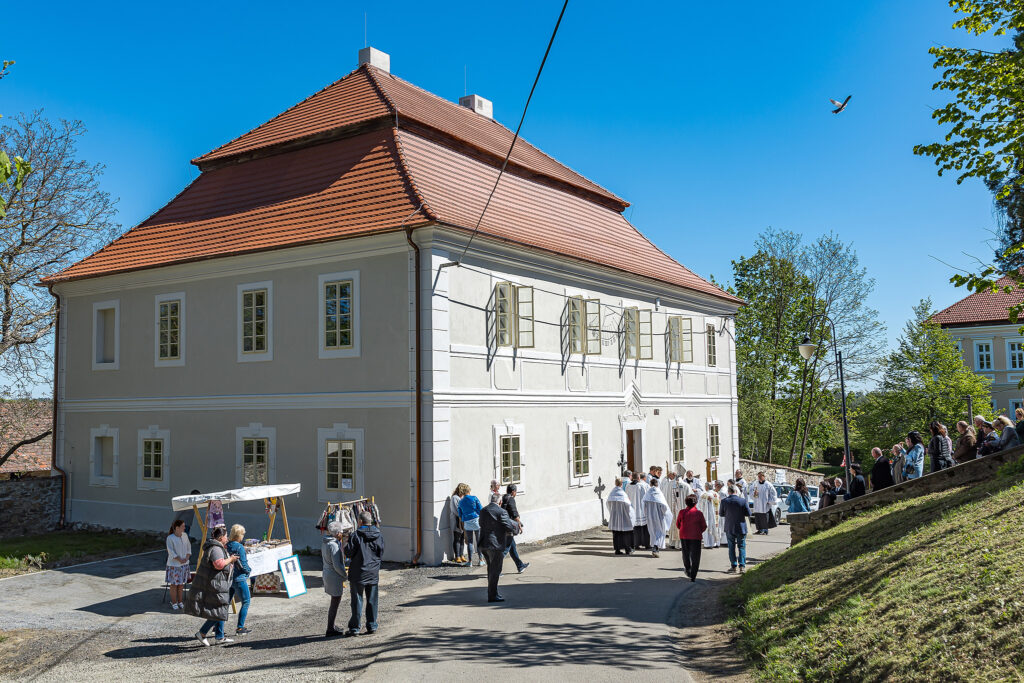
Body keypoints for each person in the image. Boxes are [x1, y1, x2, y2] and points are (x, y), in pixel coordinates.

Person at [188, 526, 239, 646]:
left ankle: (219, 636)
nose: (227, 538)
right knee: (218, 610)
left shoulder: (217, 547)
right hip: (215, 584)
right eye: (226, 536)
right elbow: (218, 564)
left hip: (219, 583)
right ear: (221, 538)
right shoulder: (215, 548)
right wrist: (231, 559)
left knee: (221, 609)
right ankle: (202, 632)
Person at [344, 511, 384, 636]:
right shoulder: (378, 535)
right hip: (372, 572)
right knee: (372, 600)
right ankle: (372, 625)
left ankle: (355, 628)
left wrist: (345, 543)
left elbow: (348, 553)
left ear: (360, 521)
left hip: (358, 572)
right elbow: (381, 552)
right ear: (370, 521)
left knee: (357, 600)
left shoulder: (356, 535)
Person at [478, 493, 519, 603]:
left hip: (484, 544)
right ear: (500, 502)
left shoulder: (483, 510)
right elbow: (508, 527)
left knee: (490, 569)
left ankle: (492, 593)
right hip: (495, 545)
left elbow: (480, 523)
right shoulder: (502, 512)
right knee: (496, 570)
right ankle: (492, 595)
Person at [321, 520, 347, 637]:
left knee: (334, 601)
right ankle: (330, 628)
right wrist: (345, 575)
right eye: (341, 532)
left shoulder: (326, 542)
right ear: (337, 533)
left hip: (327, 574)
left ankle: (331, 626)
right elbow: (337, 565)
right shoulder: (334, 545)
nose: (342, 534)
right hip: (334, 576)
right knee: (335, 602)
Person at [225, 524, 252, 635]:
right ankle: (240, 628)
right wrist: (249, 570)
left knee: (225, 604)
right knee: (246, 601)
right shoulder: (239, 547)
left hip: (229, 577)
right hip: (239, 578)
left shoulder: (226, 545)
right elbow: (244, 565)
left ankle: (217, 628)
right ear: (239, 535)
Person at [718, 485, 750, 573]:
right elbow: (748, 513)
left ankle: (733, 565)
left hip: (729, 526)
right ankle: (742, 566)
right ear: (736, 491)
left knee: (731, 547)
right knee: (741, 546)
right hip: (741, 526)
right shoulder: (742, 501)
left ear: (728, 492)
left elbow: (721, 514)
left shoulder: (724, 501)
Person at [676, 494, 707, 582]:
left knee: (685, 554)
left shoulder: (682, 512)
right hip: (696, 536)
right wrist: (698, 531)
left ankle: (688, 568)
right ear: (696, 503)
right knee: (695, 556)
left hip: (684, 536)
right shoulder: (699, 513)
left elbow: (678, 524)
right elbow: (704, 526)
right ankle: (693, 575)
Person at [501, 484, 529, 573]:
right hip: (509, 526)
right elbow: (514, 512)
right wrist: (519, 524)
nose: (516, 493)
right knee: (505, 549)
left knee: (512, 547)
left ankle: (520, 566)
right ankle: (495, 568)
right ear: (513, 491)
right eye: (516, 491)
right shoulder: (511, 499)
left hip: (504, 525)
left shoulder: (503, 498)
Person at [642, 478, 672, 557]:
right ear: (657, 484)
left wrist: (646, 514)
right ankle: (656, 548)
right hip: (659, 516)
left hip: (650, 516)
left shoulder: (647, 493)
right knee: (660, 531)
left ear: (650, 484)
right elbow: (664, 506)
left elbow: (644, 505)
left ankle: (654, 547)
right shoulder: (659, 493)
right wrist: (664, 513)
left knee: (652, 532)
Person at [165, 519, 191, 611]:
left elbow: (189, 548)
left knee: (181, 584)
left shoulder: (185, 535)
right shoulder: (170, 538)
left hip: (184, 564)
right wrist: (180, 559)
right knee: (174, 584)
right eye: (183, 526)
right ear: (177, 528)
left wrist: (186, 558)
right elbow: (171, 552)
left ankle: (180, 601)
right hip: (174, 565)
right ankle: (174, 602)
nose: (185, 527)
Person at [606, 477, 635, 555]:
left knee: (616, 534)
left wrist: (612, 511)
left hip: (615, 516)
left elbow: (608, 503)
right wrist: (630, 514)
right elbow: (628, 505)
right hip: (623, 516)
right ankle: (627, 549)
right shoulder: (622, 493)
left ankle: (617, 550)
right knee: (625, 533)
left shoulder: (612, 492)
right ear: (621, 484)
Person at [457, 485, 485, 567]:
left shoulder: (461, 501)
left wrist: (463, 520)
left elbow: (460, 513)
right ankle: (481, 560)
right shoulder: (474, 498)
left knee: (470, 542)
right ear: (469, 491)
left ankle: (470, 561)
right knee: (478, 541)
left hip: (467, 522)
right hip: (476, 520)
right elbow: (480, 509)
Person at [625, 473, 651, 550]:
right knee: (645, 528)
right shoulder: (642, 486)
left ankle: (636, 544)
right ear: (639, 478)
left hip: (632, 510)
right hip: (641, 509)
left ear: (632, 478)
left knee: (635, 528)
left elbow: (626, 497)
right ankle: (647, 544)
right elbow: (646, 497)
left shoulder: (628, 486)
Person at [448, 483, 467, 564]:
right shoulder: (455, 498)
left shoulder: (461, 498)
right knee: (457, 538)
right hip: (457, 520)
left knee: (462, 538)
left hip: (462, 520)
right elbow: (456, 510)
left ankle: (462, 555)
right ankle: (457, 556)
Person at [698, 482, 721, 549]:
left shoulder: (704, 495)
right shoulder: (716, 494)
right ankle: (716, 543)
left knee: (708, 528)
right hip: (716, 515)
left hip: (707, 515)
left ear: (706, 487)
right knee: (716, 527)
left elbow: (699, 505)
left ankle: (708, 544)